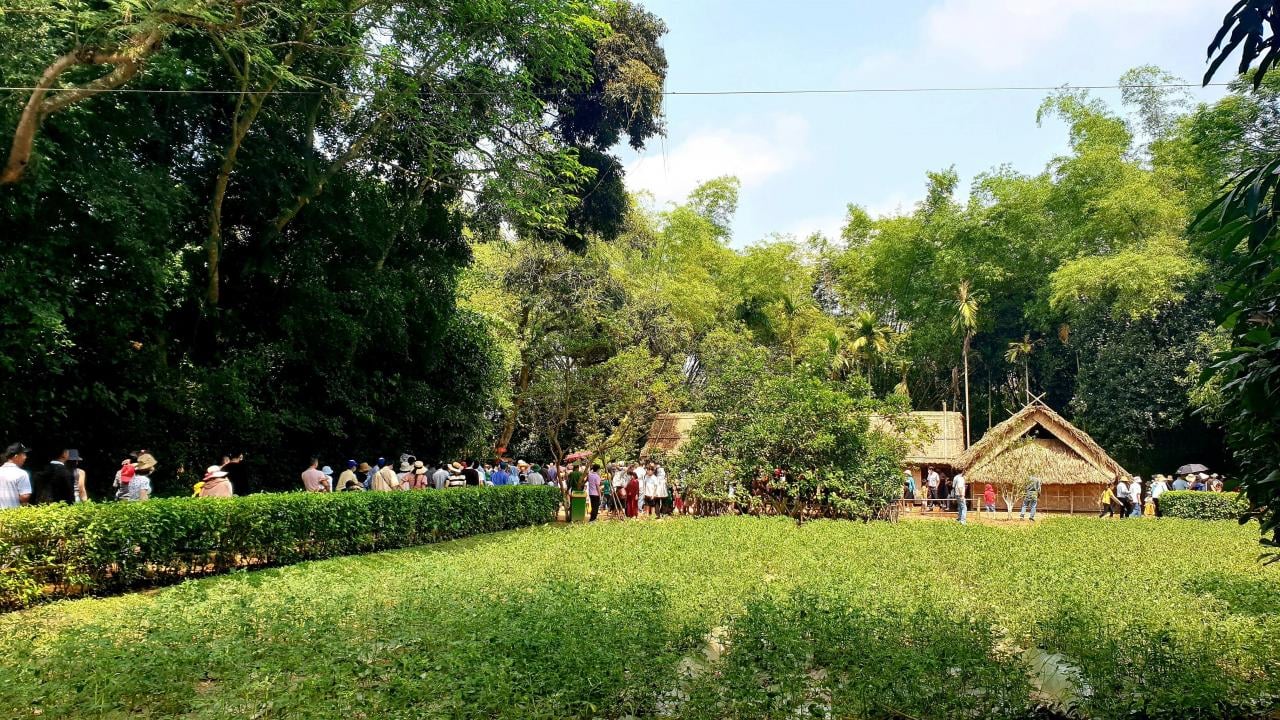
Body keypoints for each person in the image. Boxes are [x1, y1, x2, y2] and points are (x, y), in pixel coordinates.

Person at [0, 443, 33, 509]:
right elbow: (24, 497)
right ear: (16, 456)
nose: (25, 457)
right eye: (23, 454)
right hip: (13, 515)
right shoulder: (21, 473)